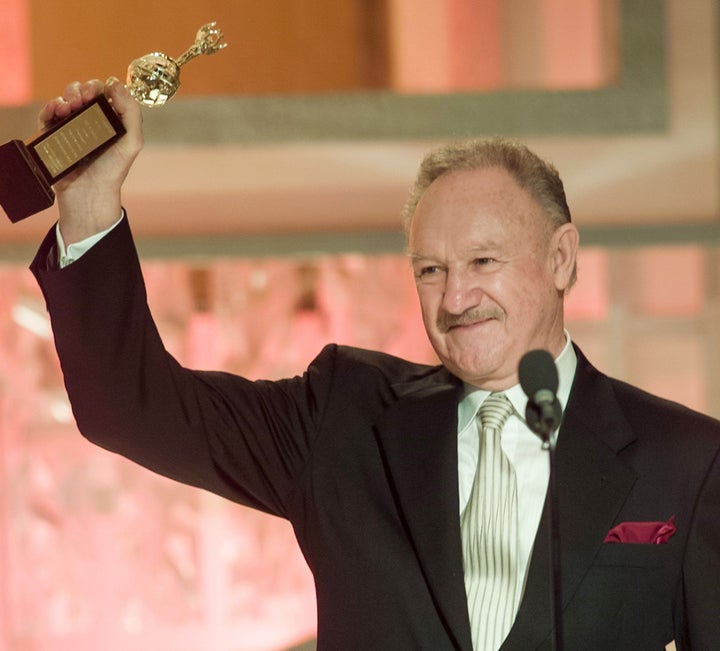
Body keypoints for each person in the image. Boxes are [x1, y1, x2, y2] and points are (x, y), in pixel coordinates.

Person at [30, 79, 720, 651]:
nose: (455, 296)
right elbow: (128, 404)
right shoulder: (342, 418)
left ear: (562, 258)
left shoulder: (685, 459)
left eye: (483, 261)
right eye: (431, 269)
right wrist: (89, 204)